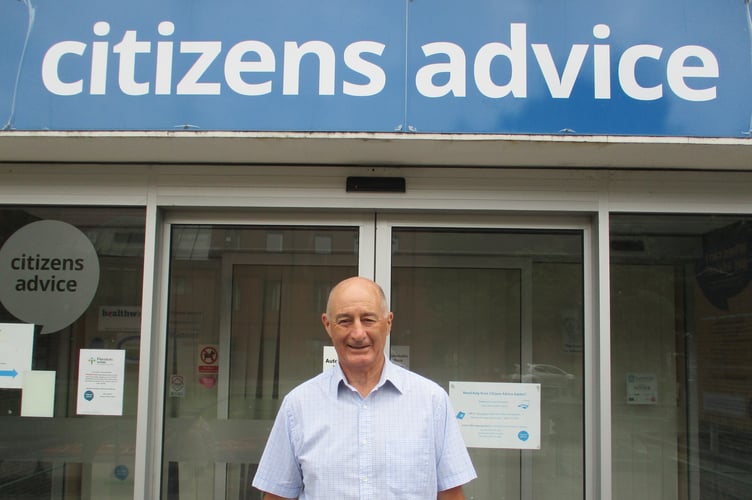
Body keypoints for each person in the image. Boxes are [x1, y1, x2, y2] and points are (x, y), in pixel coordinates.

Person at [252, 276, 477, 499]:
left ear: (388, 323)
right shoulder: (298, 406)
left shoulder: (432, 401)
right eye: (345, 321)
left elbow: (451, 494)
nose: (358, 333)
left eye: (368, 319)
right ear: (327, 325)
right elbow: (277, 496)